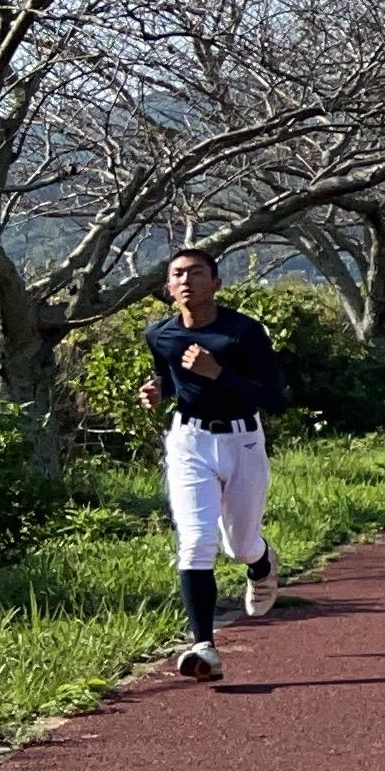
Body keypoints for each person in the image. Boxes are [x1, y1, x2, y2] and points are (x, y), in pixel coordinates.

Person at [141, 247, 289, 680]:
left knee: (239, 546)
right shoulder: (161, 335)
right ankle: (204, 647)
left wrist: (218, 374)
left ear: (216, 284)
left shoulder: (243, 333)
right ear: (168, 288)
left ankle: (261, 563)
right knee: (196, 542)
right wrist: (157, 390)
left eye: (197, 272)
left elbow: (274, 397)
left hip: (243, 440)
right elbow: (169, 375)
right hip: (189, 441)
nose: (186, 280)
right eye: (177, 274)